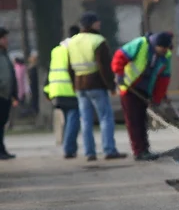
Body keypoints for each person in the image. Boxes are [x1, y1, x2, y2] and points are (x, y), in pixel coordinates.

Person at [66, 11, 126, 162]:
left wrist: (74, 84)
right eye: (97, 22)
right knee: (105, 117)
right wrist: (111, 86)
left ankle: (89, 152)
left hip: (80, 85)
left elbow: (69, 67)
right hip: (96, 84)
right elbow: (104, 66)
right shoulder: (98, 40)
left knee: (85, 120)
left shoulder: (72, 41)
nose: (99, 24)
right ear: (91, 24)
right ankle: (109, 149)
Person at [112, 31, 173, 161]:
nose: (164, 51)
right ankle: (139, 151)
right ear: (156, 44)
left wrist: (157, 99)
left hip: (145, 91)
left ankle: (144, 148)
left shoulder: (166, 55)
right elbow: (119, 56)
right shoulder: (140, 44)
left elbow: (163, 79)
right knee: (134, 121)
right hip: (130, 88)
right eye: (163, 48)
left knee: (142, 120)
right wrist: (119, 74)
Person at [44, 25, 81, 159]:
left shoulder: (56, 50)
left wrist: (46, 90)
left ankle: (70, 147)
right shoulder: (74, 49)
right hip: (70, 90)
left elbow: (50, 71)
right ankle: (69, 148)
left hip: (56, 90)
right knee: (73, 119)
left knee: (67, 120)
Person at [0, 28, 18, 159]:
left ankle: (2, 149)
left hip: (5, 95)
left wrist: (13, 93)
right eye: (4, 38)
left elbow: (10, 75)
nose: (7, 41)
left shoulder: (4, 54)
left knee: (2, 124)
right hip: (1, 94)